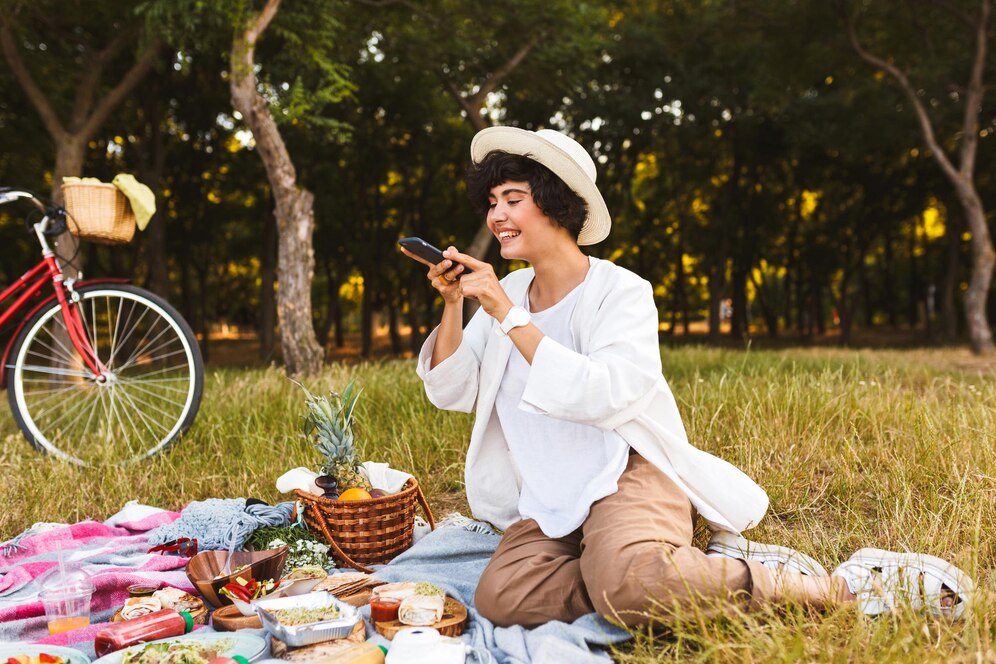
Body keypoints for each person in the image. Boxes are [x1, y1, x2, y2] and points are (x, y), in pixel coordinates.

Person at [404, 127, 974, 628]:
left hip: (625, 472)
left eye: (513, 199)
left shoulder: (620, 292)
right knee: (503, 597)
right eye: (492, 201)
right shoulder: (508, 300)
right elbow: (452, 391)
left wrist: (506, 314)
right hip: (550, 495)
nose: (496, 215)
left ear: (553, 203)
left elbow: (601, 394)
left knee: (626, 583)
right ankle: (671, 574)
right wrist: (455, 305)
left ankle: (842, 589)